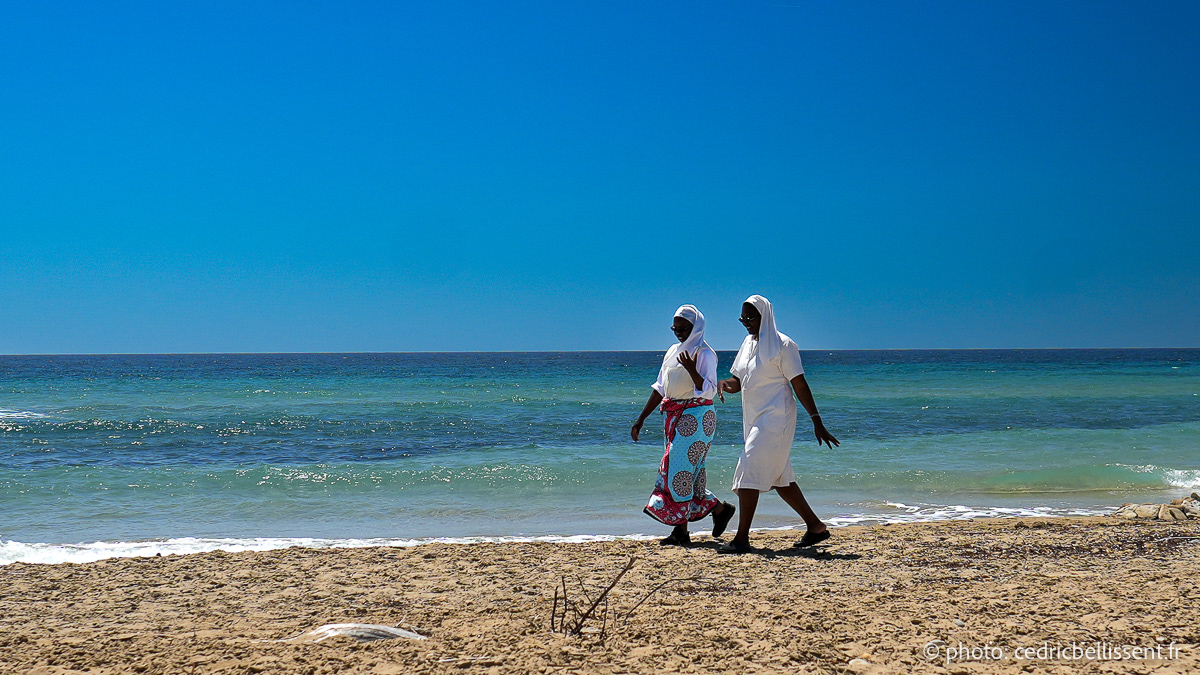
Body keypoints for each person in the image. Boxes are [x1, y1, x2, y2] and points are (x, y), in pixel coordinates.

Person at [715, 295, 839, 554]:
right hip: (754, 418)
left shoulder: (784, 345)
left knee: (748, 468)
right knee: (782, 479)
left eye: (750, 318)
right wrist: (726, 384)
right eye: (742, 319)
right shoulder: (748, 344)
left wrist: (816, 420)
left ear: (765, 316)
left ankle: (741, 539)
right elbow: (739, 380)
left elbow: (799, 384)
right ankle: (816, 527)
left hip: (776, 418)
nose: (746, 323)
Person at [631, 305, 735, 547]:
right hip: (675, 416)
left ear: (696, 327)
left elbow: (708, 391)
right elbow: (660, 388)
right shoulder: (672, 351)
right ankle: (718, 510)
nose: (679, 332)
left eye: (683, 328)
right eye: (675, 328)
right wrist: (641, 418)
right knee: (684, 472)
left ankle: (682, 530)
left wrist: (691, 369)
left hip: (698, 417)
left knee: (679, 470)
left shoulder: (705, 354)